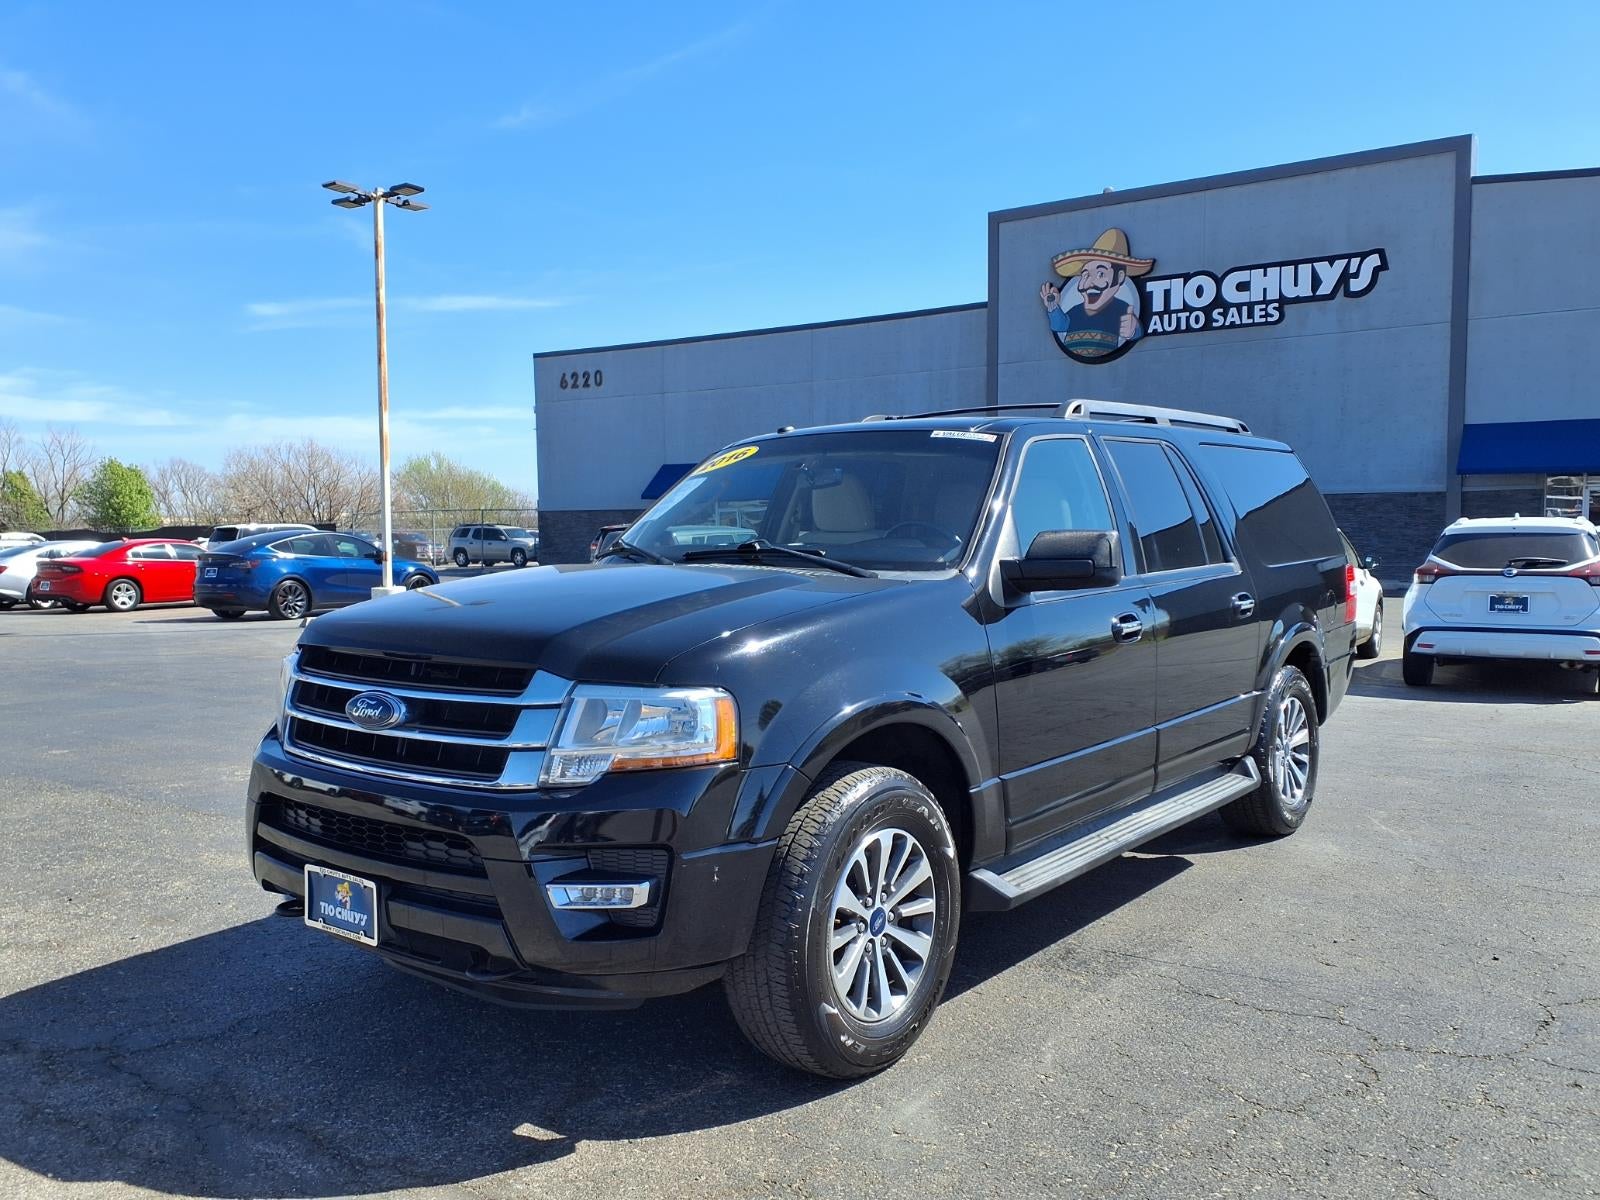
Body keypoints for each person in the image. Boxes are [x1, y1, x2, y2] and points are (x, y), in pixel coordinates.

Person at [1039, 227, 1154, 364]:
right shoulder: (1075, 311)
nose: (1089, 283)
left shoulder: (1122, 310)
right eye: (1085, 275)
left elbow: (1134, 330)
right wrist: (1053, 306)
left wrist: (1133, 330)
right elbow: (1060, 326)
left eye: (1100, 274)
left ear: (1120, 277)